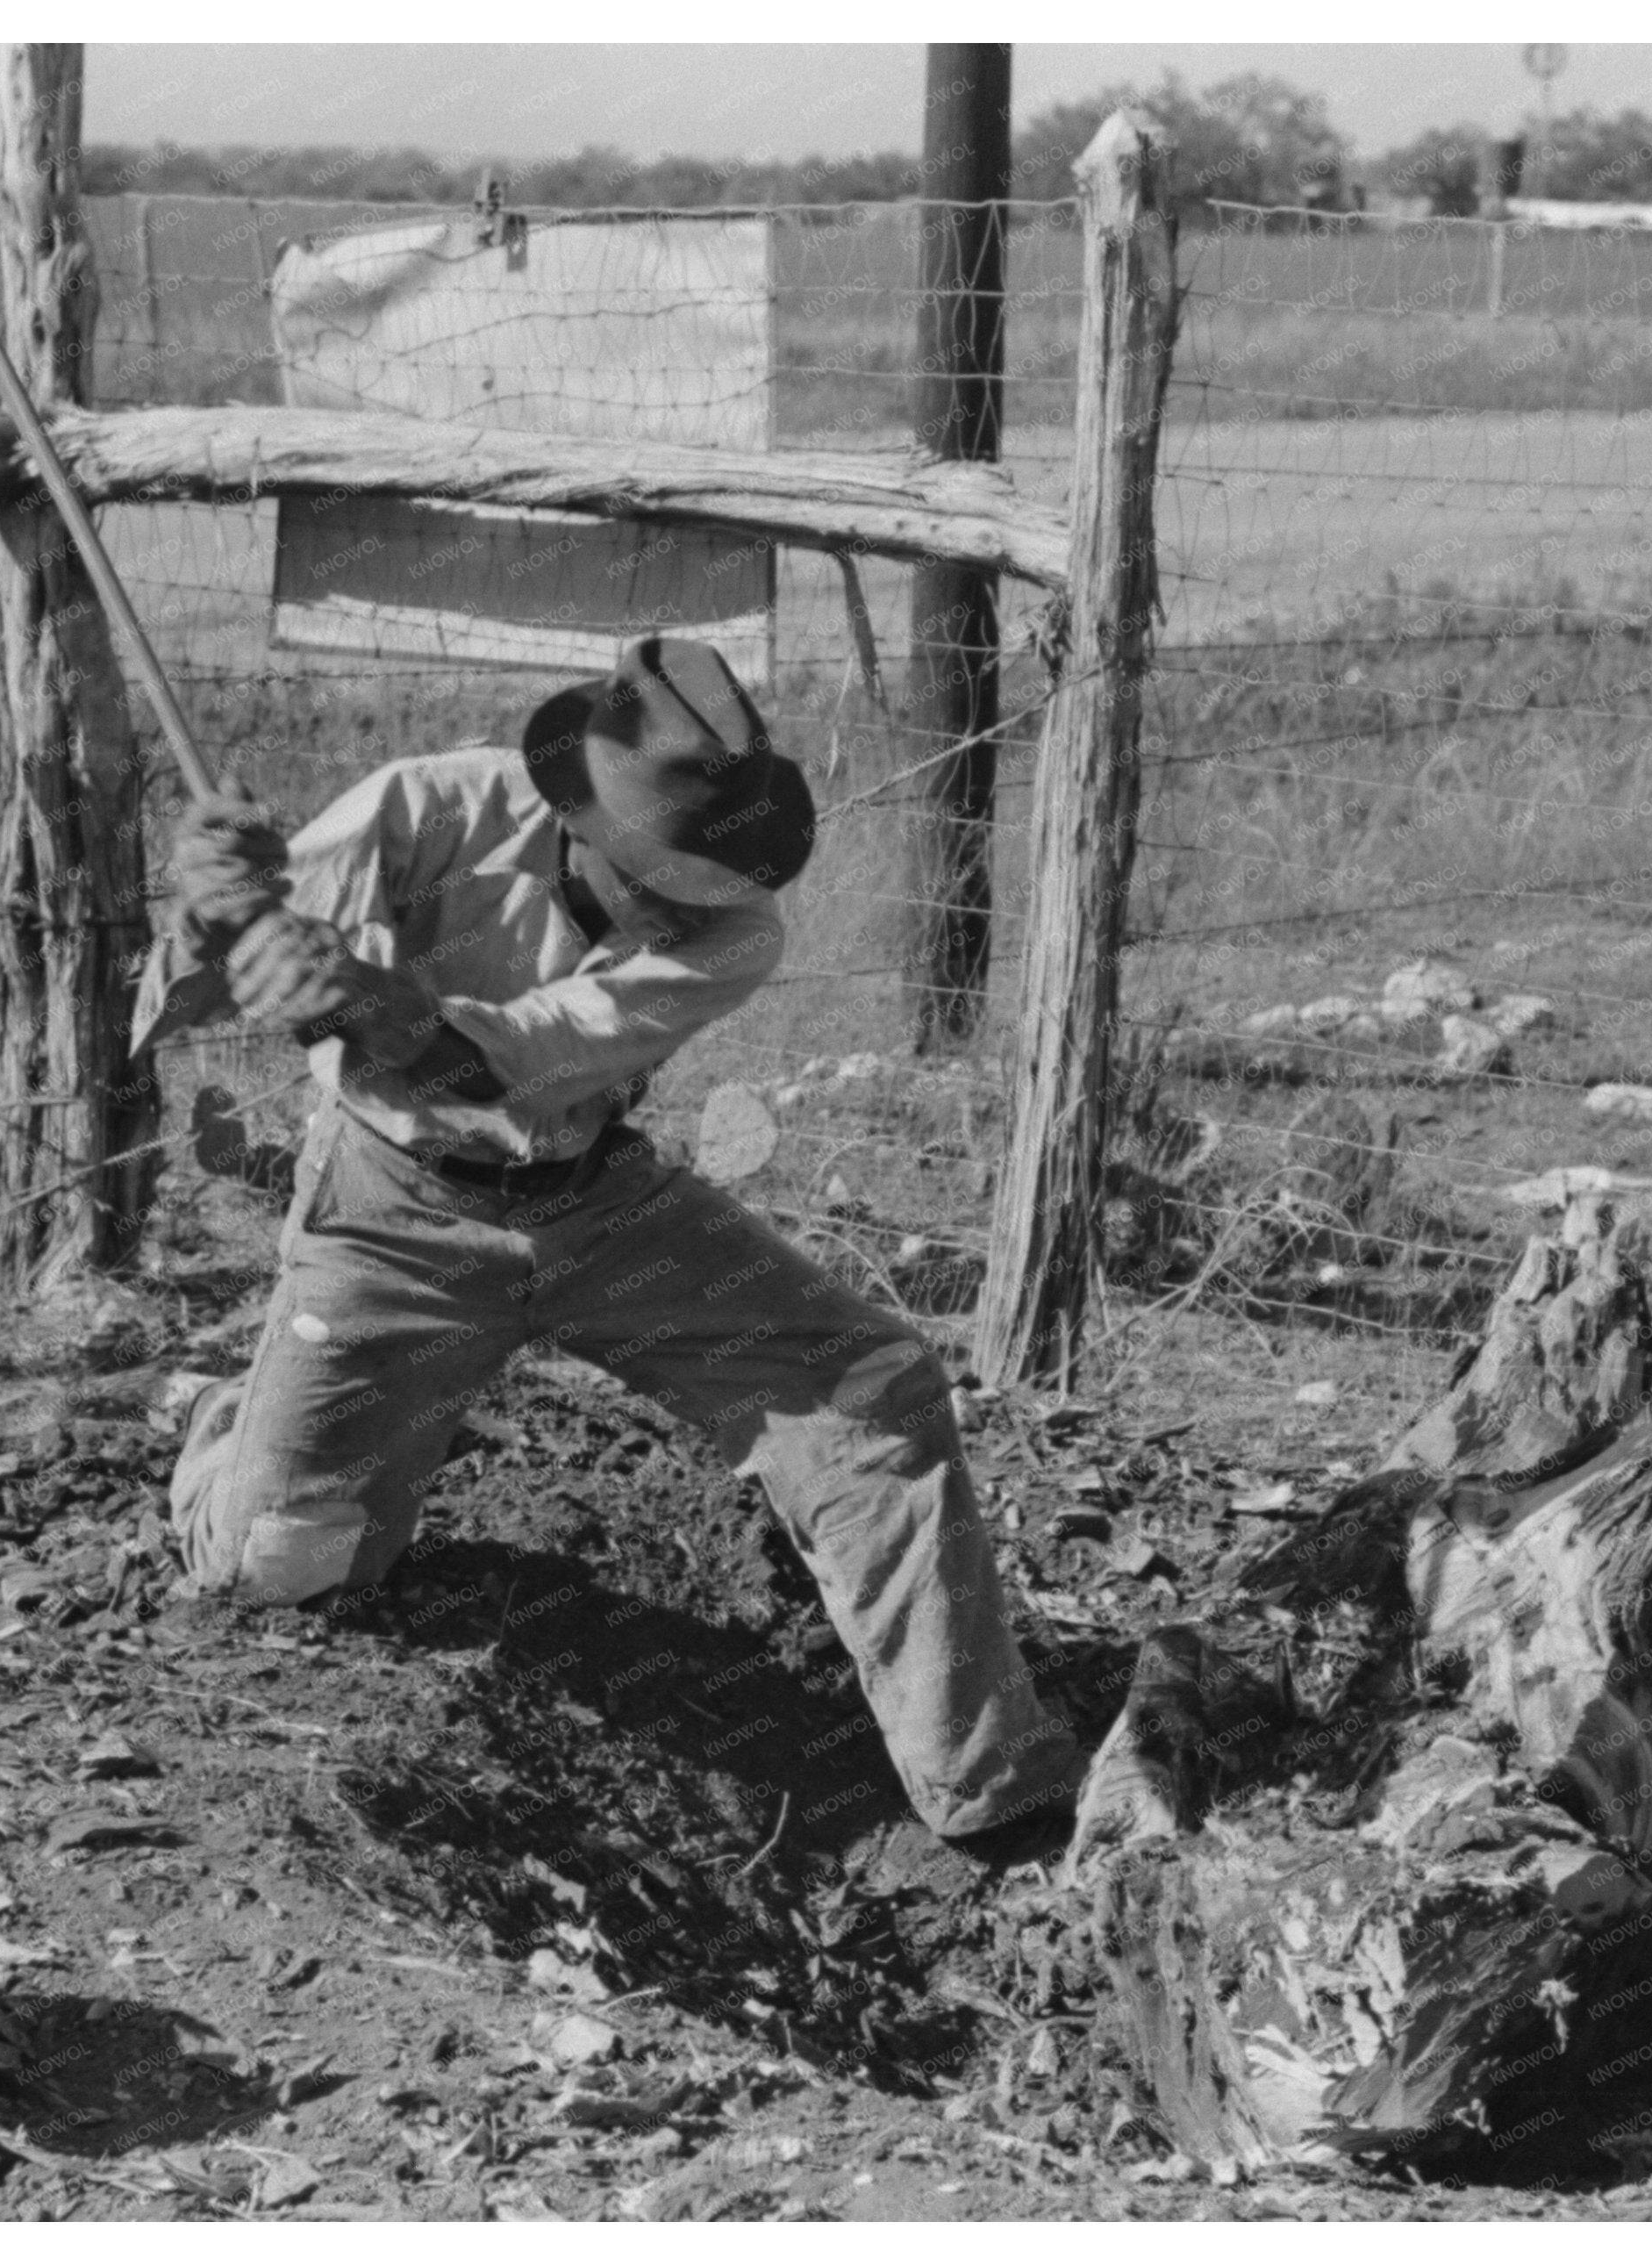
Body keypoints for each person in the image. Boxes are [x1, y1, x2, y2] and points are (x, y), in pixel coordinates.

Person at [147, 634, 1083, 1859]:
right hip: (394, 1217)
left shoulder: (737, 931)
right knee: (291, 1560)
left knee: (873, 1389)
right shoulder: (424, 809)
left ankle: (991, 1786)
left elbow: (506, 1057)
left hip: (599, 1208)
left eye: (701, 874)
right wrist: (209, 916)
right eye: (659, 871)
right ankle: (230, 1439)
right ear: (570, 815)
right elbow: (188, 998)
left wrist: (367, 994)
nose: (684, 900)